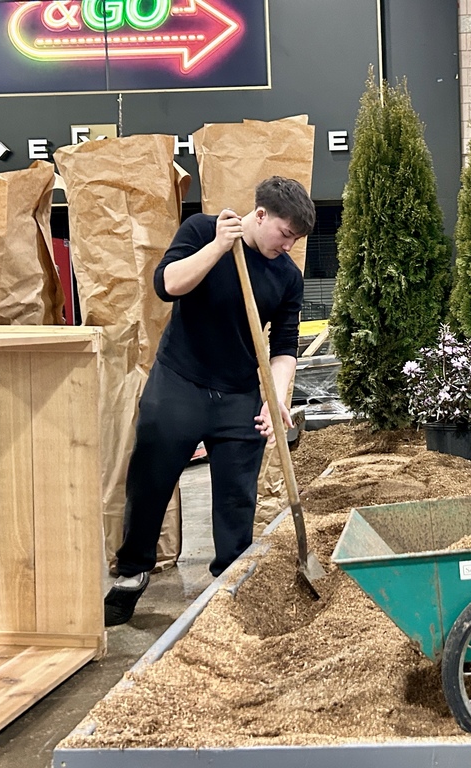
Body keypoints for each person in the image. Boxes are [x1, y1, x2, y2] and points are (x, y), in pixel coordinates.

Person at [104, 176, 316, 626]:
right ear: (261, 215)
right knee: (150, 481)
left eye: (296, 239)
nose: (289, 245)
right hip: (180, 382)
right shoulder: (204, 230)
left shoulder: (287, 276)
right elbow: (167, 284)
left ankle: (229, 585)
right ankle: (132, 574)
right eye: (285, 234)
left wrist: (275, 397)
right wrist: (219, 246)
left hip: (238, 393)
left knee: (237, 497)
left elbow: (284, 347)